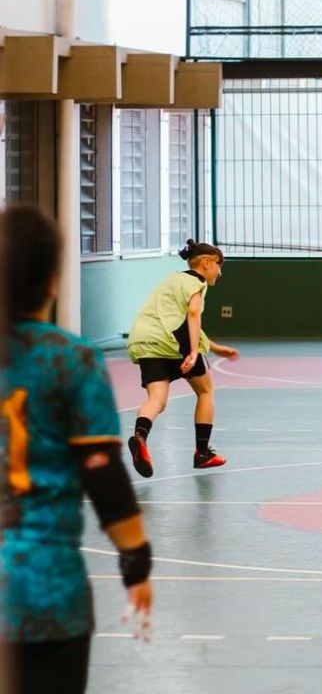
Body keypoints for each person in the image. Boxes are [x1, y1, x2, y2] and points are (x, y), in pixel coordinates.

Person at [1, 205, 153, 694]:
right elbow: (102, 472)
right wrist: (135, 563)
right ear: (52, 282)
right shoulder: (70, 359)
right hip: (46, 592)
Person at [125, 240, 239, 478]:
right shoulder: (196, 283)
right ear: (206, 263)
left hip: (145, 340)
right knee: (205, 391)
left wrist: (215, 348)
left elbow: (180, 321)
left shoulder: (171, 281)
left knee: (157, 400)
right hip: (173, 342)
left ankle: (140, 437)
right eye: (219, 265)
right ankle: (202, 453)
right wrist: (194, 352)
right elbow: (193, 315)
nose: (220, 272)